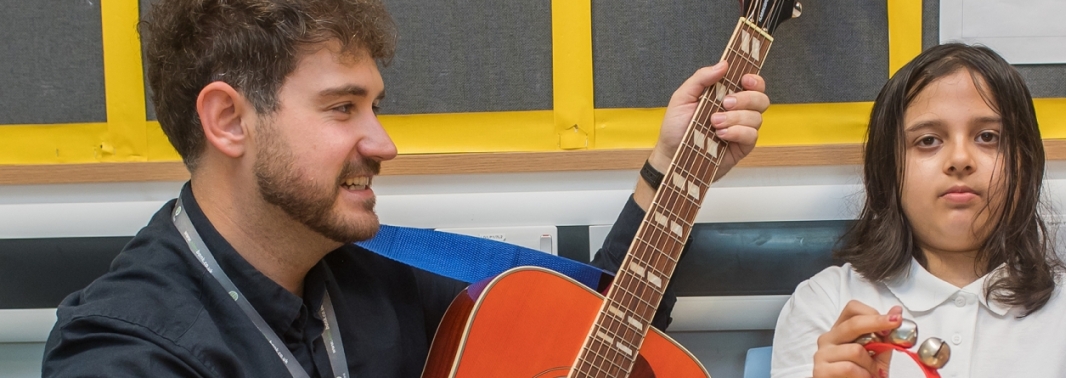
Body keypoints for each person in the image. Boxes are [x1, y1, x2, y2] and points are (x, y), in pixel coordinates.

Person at [41, 0, 769, 376]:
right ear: (229, 120)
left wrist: (671, 167)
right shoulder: (122, 352)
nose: (383, 143)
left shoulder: (377, 280)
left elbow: (595, 332)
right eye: (342, 108)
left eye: (375, 106)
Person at [769, 44, 1066, 378]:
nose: (960, 159)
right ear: (888, 170)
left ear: (1025, 165)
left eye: (988, 137)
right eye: (928, 141)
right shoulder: (825, 305)